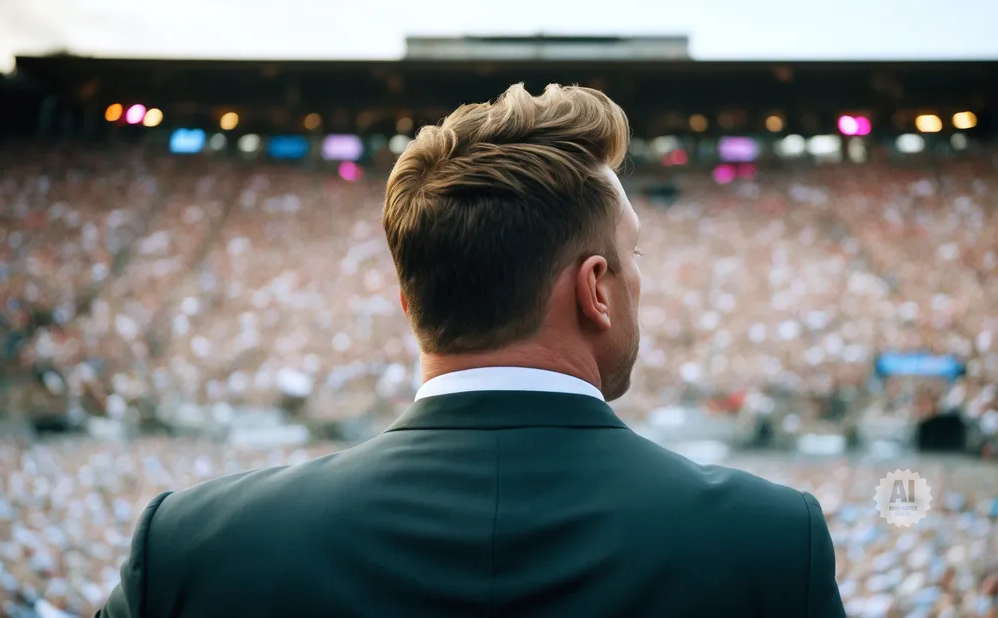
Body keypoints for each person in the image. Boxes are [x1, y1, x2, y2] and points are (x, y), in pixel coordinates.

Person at [97, 83, 845, 618]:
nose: (640, 277)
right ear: (596, 288)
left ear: (411, 305)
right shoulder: (771, 544)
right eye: (634, 255)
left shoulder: (189, 548)